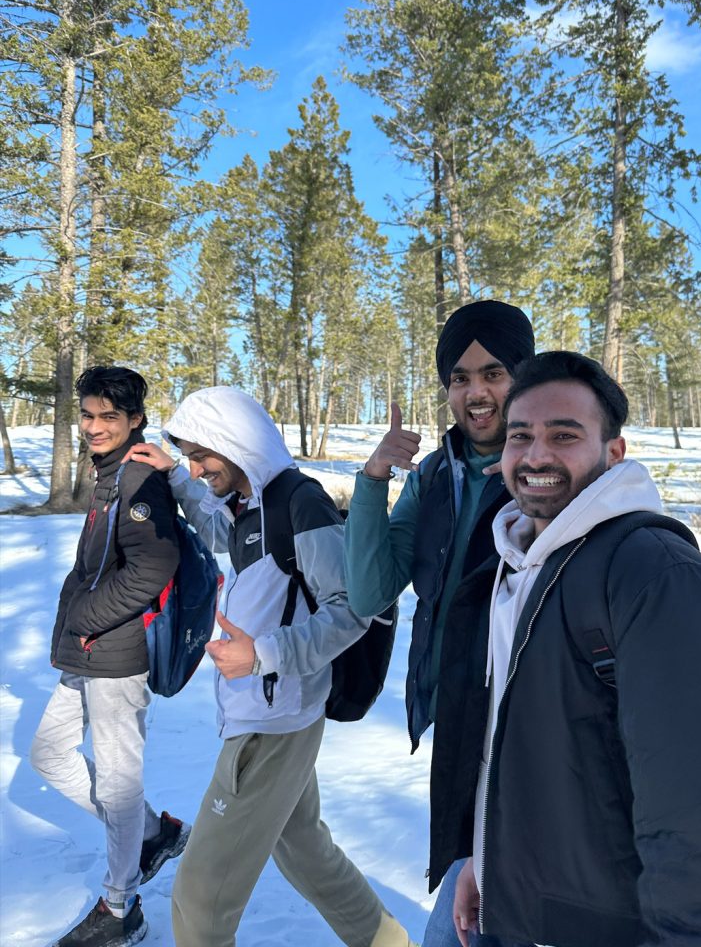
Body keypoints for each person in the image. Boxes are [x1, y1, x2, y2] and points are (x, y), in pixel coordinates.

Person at [452, 351, 701, 947]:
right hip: (522, 906)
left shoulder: (655, 576)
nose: (537, 454)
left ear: (614, 453)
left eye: (564, 435)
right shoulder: (518, 563)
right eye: (521, 436)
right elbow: (515, 751)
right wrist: (487, 860)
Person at [125, 385, 416, 947]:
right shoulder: (252, 502)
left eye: (200, 454)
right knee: (305, 850)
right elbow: (224, 535)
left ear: (233, 443)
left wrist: (263, 654)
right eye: (187, 455)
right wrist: (180, 481)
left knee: (199, 901)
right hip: (270, 708)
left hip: (271, 724)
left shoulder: (298, 502)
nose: (195, 465)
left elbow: (354, 607)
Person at [344, 300, 536, 947]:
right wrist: (373, 478)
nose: (475, 392)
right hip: (452, 715)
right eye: (459, 377)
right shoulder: (434, 476)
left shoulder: (543, 478)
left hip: (517, 732)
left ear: (524, 375)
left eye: (493, 373)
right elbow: (371, 588)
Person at [31, 366, 188, 947]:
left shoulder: (137, 479)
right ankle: (152, 832)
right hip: (92, 650)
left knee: (119, 781)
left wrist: (88, 618)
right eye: (88, 415)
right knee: (49, 752)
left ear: (135, 421)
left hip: (117, 655)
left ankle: (119, 907)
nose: (95, 426)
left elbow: (155, 564)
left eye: (108, 417)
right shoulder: (108, 473)